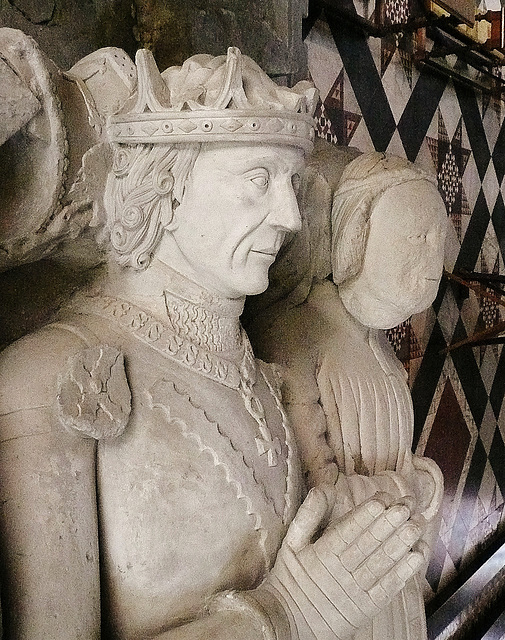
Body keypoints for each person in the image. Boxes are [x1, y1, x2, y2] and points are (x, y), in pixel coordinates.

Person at [0, 47, 428, 639]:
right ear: (167, 185)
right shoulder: (49, 377)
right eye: (258, 180)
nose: (290, 216)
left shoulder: (263, 374)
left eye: (291, 186)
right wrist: (289, 614)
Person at [253, 151, 447, 639]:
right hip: (338, 595)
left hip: (393, 581)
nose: (432, 261)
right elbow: (311, 498)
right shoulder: (296, 336)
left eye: (438, 242)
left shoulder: (378, 344)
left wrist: (416, 485)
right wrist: (414, 487)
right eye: (415, 238)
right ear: (357, 236)